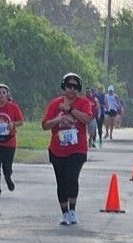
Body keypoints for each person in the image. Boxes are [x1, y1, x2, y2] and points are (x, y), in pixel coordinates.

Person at [41, 73, 93, 225]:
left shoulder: (83, 102)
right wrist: (59, 119)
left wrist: (70, 110)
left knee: (71, 177)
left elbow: (87, 119)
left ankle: (72, 210)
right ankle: (64, 213)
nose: (72, 89)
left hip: (77, 149)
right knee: (61, 181)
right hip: (57, 149)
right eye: (69, 86)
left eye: (75, 87)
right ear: (64, 86)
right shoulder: (54, 104)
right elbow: (44, 125)